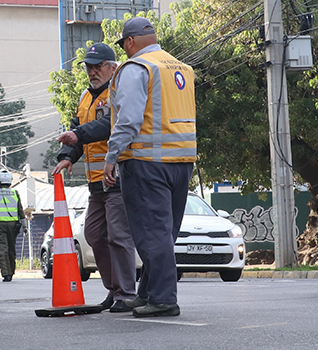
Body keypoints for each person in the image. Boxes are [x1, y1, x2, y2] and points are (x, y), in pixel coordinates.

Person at [102, 17, 197, 318]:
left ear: (129, 42)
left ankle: (164, 298)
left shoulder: (136, 69)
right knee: (163, 233)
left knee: (151, 233)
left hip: (145, 162)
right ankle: (147, 293)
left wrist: (111, 157)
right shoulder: (181, 68)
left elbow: (128, 120)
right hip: (181, 162)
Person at [52, 42, 138, 312]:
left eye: (98, 66)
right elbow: (78, 131)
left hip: (117, 177)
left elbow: (109, 124)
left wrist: (79, 135)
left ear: (113, 67)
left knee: (117, 236)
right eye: (89, 67)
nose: (92, 72)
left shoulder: (117, 92)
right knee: (93, 234)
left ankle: (126, 292)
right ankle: (114, 290)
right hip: (95, 183)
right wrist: (67, 156)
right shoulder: (84, 97)